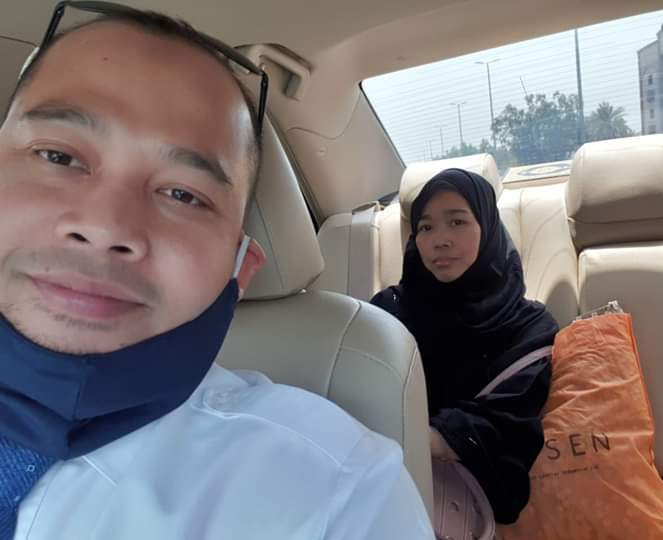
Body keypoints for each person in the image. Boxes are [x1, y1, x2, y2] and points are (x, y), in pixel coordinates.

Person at [0, 4, 432, 539]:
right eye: (57, 157)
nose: (105, 226)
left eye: (183, 194)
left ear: (240, 269)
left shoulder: (337, 497)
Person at [372, 168, 558, 525]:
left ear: (486, 228)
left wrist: (424, 439)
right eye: (425, 227)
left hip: (461, 508)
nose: (439, 240)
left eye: (457, 222)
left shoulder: (529, 327)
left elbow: (508, 424)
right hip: (377, 490)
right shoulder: (386, 312)